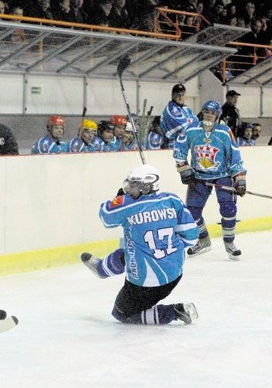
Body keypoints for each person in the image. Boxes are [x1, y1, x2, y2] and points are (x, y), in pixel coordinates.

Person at [80, 164, 199, 326]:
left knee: (122, 313)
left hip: (144, 284)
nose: (129, 188)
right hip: (175, 273)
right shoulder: (172, 200)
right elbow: (192, 236)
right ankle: (102, 269)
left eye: (134, 185)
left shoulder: (129, 205)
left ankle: (176, 311)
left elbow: (105, 215)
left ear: (146, 187)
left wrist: (119, 199)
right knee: (130, 251)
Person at [174, 100, 247, 260]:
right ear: (202, 112)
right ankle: (204, 239)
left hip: (223, 176)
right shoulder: (191, 129)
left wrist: (239, 179)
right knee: (192, 213)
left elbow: (235, 155)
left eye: (213, 113)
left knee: (228, 209)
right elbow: (179, 149)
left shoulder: (224, 132)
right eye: (206, 111)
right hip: (199, 178)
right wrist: (184, 169)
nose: (209, 114)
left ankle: (229, 243)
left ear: (217, 115)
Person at [160, 84, 198, 149]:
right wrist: (191, 121)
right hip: (171, 145)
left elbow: (196, 121)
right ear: (172, 96)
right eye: (178, 95)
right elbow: (184, 126)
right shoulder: (171, 109)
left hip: (183, 144)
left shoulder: (185, 108)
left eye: (182, 95)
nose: (180, 97)